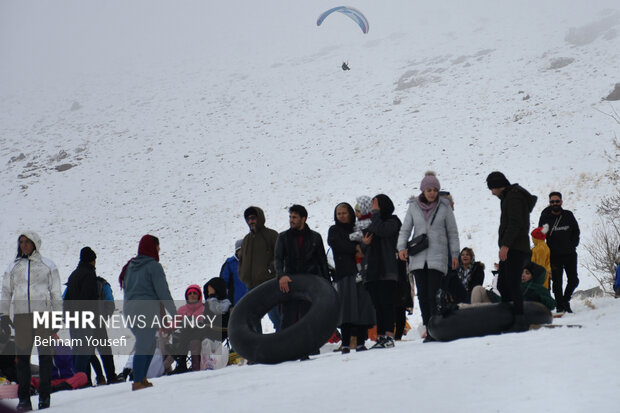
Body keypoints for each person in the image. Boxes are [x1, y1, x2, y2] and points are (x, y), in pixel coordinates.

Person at [0, 231, 62, 411]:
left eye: (28, 241)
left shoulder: (48, 266)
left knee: (45, 357)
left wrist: (57, 316)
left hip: (43, 317)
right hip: (21, 319)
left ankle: (44, 397)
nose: (24, 245)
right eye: (21, 242)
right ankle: (24, 399)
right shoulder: (13, 267)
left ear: (35, 243)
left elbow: (55, 293)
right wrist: (3, 315)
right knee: (22, 360)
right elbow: (6, 292)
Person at [397, 172, 460, 342]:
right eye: (428, 190)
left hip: (437, 257)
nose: (431, 193)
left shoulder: (445, 208)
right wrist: (401, 247)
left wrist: (455, 255)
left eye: (434, 190)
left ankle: (437, 327)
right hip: (418, 258)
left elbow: (452, 233)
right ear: (423, 191)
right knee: (423, 296)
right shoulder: (413, 207)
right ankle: (429, 329)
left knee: (434, 294)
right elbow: (405, 229)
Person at [121, 235, 176, 391]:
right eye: (157, 246)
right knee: (145, 344)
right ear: (152, 247)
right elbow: (163, 292)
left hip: (130, 310)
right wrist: (175, 313)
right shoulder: (154, 266)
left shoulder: (130, 266)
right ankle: (138, 381)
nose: (159, 250)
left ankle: (142, 377)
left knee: (150, 344)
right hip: (145, 310)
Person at [275, 205, 329, 357]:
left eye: (295, 217)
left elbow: (322, 262)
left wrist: (327, 284)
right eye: (290, 217)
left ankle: (311, 348)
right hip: (290, 282)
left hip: (310, 283)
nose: (291, 220)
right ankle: (286, 351)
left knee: (309, 317)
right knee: (288, 318)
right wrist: (281, 276)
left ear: (303, 219)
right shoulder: (283, 237)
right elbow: (278, 260)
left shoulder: (315, 237)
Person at [486, 171, 537, 331]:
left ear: (497, 185)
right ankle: (509, 317)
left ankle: (519, 320)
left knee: (512, 284)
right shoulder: (509, 197)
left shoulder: (514, 197)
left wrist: (506, 245)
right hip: (512, 248)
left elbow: (515, 223)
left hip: (515, 248)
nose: (491, 192)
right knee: (503, 283)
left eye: (491, 188)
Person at [327, 202, 375, 353]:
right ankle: (346, 343)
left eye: (344, 213)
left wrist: (363, 246)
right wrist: (356, 247)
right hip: (344, 274)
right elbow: (337, 244)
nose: (341, 216)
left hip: (360, 273)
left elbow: (367, 247)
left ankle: (360, 342)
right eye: (338, 213)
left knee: (361, 308)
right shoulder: (334, 230)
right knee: (346, 310)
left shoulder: (358, 228)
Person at [361, 194, 402, 349]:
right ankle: (380, 337)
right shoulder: (371, 222)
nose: (373, 207)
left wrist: (376, 214)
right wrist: (364, 244)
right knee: (377, 305)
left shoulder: (393, 221)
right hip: (372, 270)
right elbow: (364, 244)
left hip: (387, 269)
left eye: (375, 204)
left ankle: (389, 336)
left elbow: (382, 231)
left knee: (387, 303)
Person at [239, 206, 281, 332]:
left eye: (253, 218)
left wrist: (270, 270)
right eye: (248, 218)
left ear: (259, 218)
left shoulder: (271, 235)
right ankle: (257, 347)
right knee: (253, 318)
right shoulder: (246, 239)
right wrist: (242, 274)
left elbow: (280, 255)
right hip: (250, 286)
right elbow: (242, 260)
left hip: (268, 283)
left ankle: (283, 343)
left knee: (276, 316)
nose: (251, 221)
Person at [538, 192, 580, 313]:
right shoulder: (545, 217)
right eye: (552, 201)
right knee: (557, 282)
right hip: (554, 255)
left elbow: (576, 231)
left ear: (561, 202)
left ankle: (565, 301)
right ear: (549, 203)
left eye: (557, 201)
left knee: (574, 280)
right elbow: (540, 235)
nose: (555, 203)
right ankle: (560, 306)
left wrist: (573, 244)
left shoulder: (568, 215)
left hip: (570, 254)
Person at [63, 246, 99, 386]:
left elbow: (67, 297)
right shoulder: (89, 274)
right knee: (85, 349)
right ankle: (77, 379)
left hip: (73, 317)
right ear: (92, 261)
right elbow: (89, 298)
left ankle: (78, 379)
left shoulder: (73, 274)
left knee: (77, 349)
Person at [169, 284, 205, 374]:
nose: (192, 295)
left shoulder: (204, 308)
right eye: (190, 294)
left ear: (199, 296)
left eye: (194, 293)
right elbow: (174, 323)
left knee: (188, 328)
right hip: (184, 336)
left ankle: (182, 364)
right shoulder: (182, 310)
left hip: (199, 334)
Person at [219, 240, 247, 306]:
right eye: (241, 249)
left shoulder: (252, 263)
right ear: (237, 251)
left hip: (252, 302)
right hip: (235, 303)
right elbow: (222, 284)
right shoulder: (230, 264)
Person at [530, 225, 551, 289]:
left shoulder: (540, 248)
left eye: (533, 237)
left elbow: (540, 265)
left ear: (536, 238)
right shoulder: (538, 247)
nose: (532, 239)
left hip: (540, 279)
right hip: (539, 277)